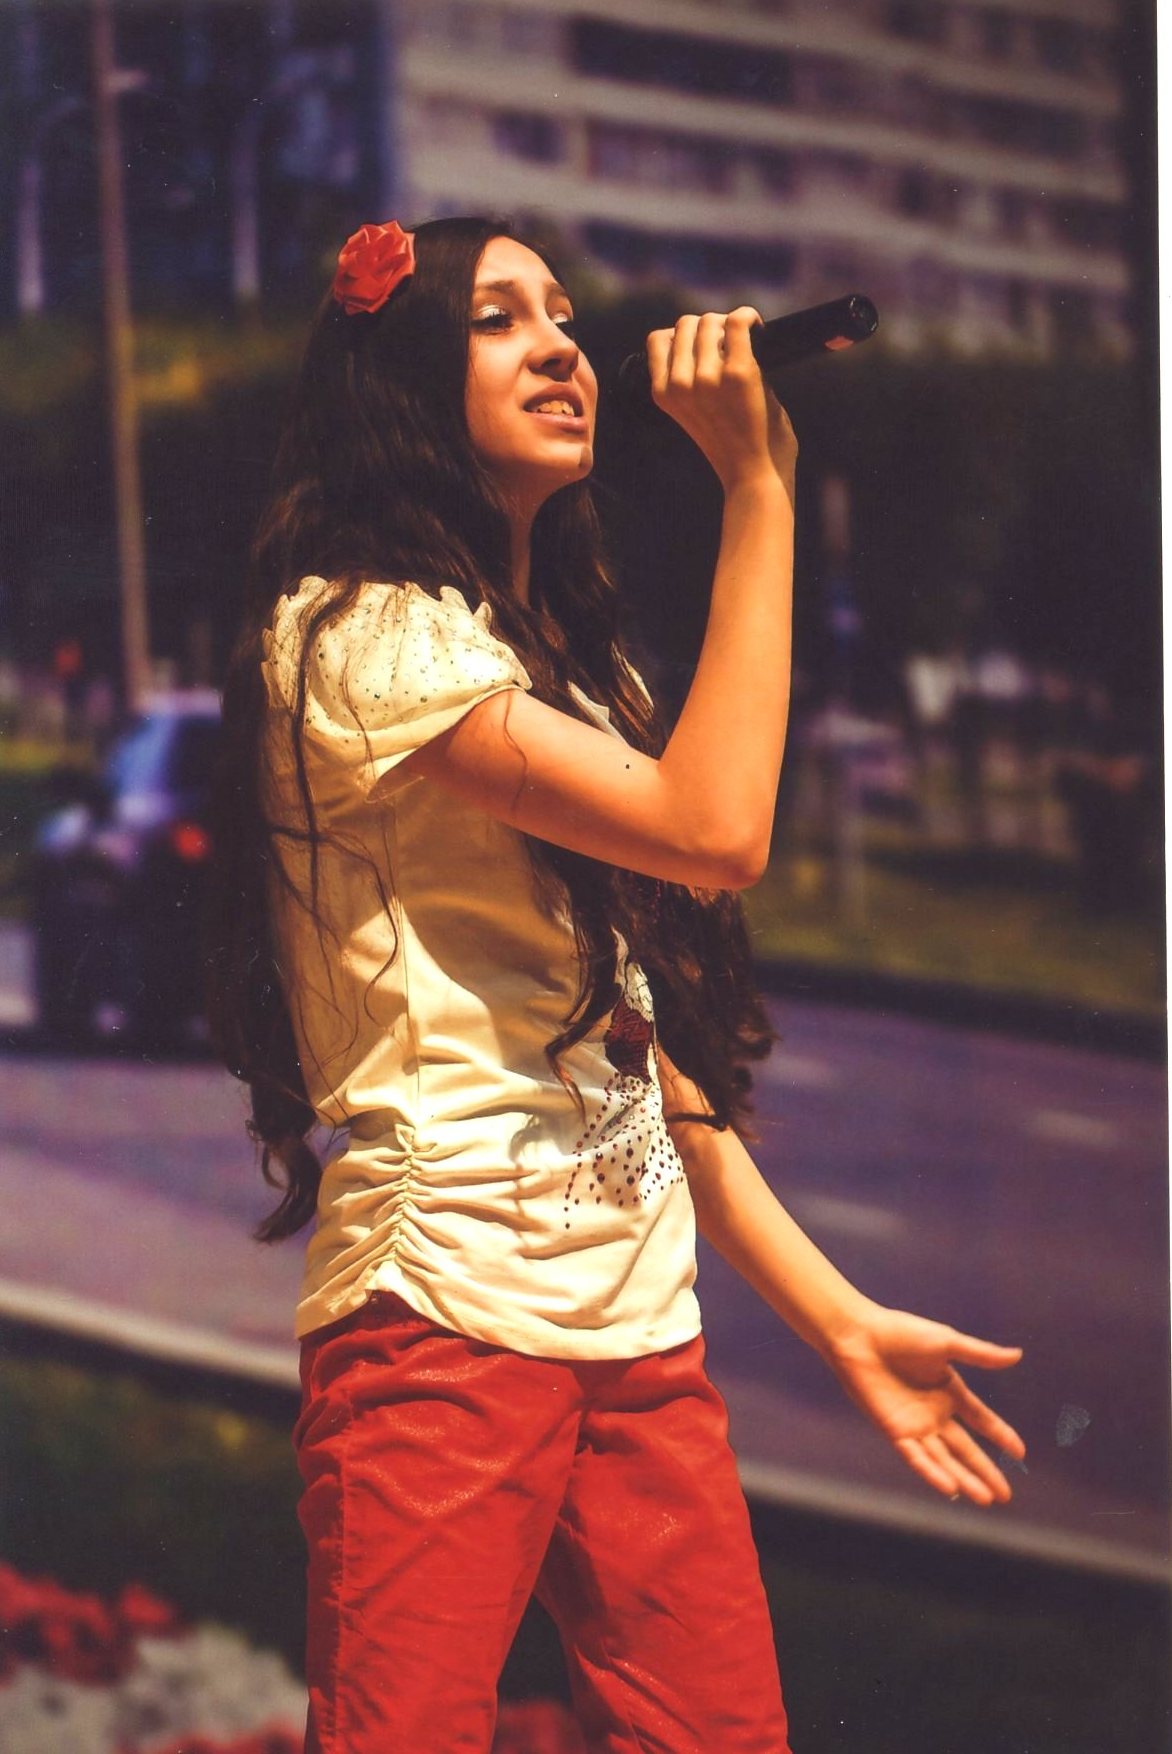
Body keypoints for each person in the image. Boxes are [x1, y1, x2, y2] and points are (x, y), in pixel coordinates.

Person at [205, 216, 1026, 1754]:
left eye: (566, 316)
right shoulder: (363, 635)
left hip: (638, 1326)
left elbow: (635, 1052)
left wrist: (838, 1316)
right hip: (441, 1311)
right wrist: (758, 489)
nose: (562, 349)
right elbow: (719, 832)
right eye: (501, 319)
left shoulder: (568, 676)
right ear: (404, 380)